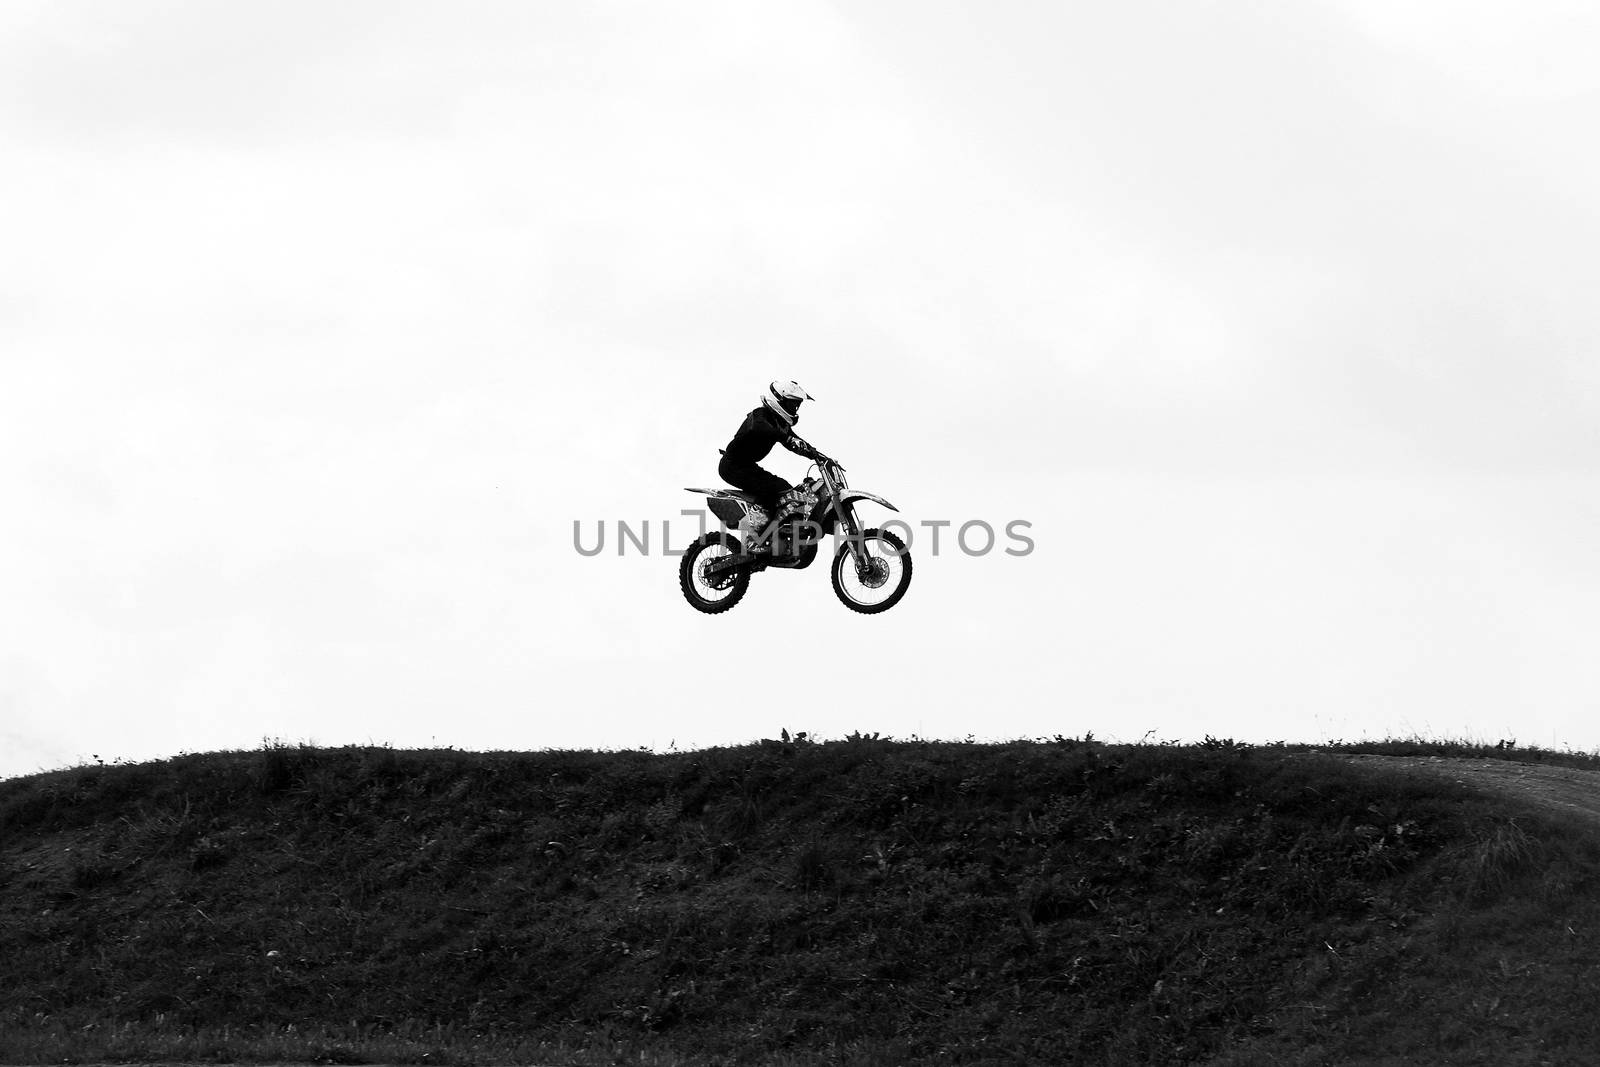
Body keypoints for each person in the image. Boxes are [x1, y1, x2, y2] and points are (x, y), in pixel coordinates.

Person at [718, 381, 830, 542]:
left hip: (747, 467)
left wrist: (817, 455)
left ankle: (779, 533)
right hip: (732, 465)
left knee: (785, 489)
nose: (795, 408)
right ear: (779, 400)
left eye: (797, 405)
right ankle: (755, 537)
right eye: (792, 404)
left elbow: (796, 443)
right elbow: (761, 428)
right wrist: (786, 437)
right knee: (770, 490)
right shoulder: (759, 415)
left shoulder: (780, 424)